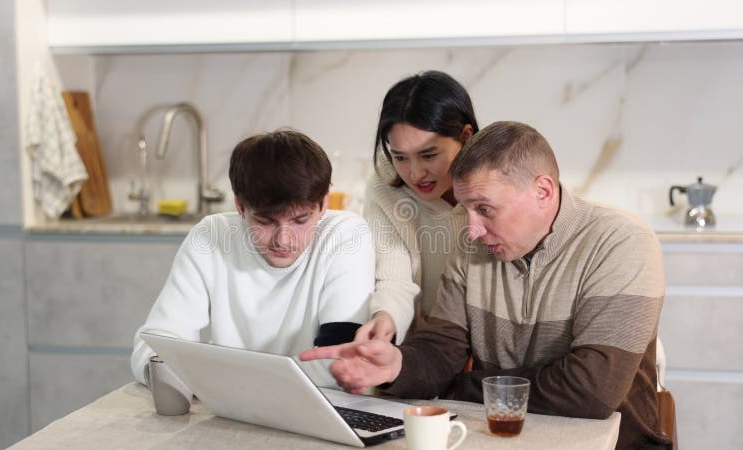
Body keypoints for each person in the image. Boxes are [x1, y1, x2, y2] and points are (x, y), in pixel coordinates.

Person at [302, 121, 670, 449]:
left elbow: (591, 392)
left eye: (484, 208)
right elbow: (439, 350)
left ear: (542, 191)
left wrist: (464, 387)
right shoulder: (472, 247)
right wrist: (397, 364)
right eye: (466, 209)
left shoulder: (623, 241)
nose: (471, 228)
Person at [131, 129, 374, 388]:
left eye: (300, 220)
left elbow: (339, 360)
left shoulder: (347, 236)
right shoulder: (211, 236)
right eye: (265, 221)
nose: (283, 239)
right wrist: (166, 368)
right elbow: (153, 346)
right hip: (233, 407)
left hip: (312, 411)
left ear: (324, 205)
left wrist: (214, 379)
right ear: (239, 207)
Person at [355, 70, 478, 345]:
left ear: (466, 136)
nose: (415, 173)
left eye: (429, 155)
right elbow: (393, 277)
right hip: (419, 354)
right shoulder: (385, 186)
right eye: (400, 157)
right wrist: (385, 319)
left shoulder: (495, 186)